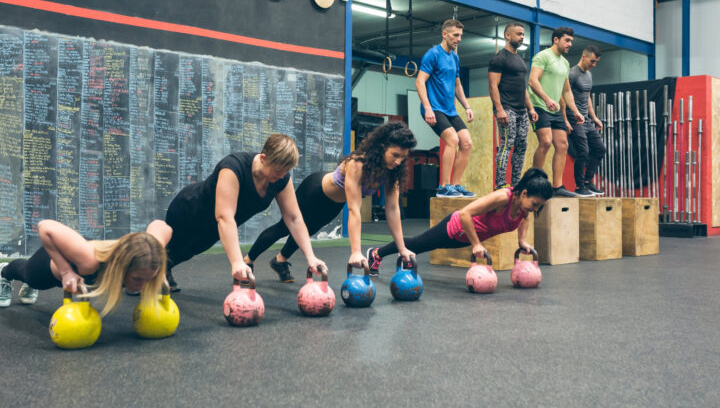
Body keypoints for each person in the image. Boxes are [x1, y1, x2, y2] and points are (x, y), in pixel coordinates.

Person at [245, 122, 417, 278]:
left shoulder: (393, 171)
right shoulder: (358, 164)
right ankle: (247, 261)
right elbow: (354, 210)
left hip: (333, 204)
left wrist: (401, 248)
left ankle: (280, 260)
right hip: (314, 192)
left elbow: (393, 209)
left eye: (403, 157)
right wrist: (356, 251)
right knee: (284, 228)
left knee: (309, 229)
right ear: (381, 146)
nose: (398, 161)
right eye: (395, 155)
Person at [164, 133, 327, 292]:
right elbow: (225, 217)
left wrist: (311, 257)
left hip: (211, 226)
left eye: (286, 171)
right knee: (172, 249)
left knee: (187, 252)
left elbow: (294, 218)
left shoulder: (280, 179)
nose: (282, 176)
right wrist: (237, 262)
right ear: (263, 159)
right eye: (278, 171)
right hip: (189, 212)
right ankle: (141, 275)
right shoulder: (234, 167)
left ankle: (162, 270)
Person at [366, 168, 553, 264]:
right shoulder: (503, 198)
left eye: (539, 206)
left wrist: (522, 241)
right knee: (417, 244)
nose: (535, 209)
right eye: (535, 204)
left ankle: (394, 257)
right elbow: (465, 214)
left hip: (465, 239)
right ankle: (376, 254)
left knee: (419, 248)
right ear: (523, 193)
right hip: (454, 228)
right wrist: (477, 244)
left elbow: (525, 218)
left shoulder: (524, 208)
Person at [0, 219, 172, 316]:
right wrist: (66, 271)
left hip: (78, 251)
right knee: (28, 276)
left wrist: (157, 273)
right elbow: (45, 226)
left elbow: (162, 226)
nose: (143, 285)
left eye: (147, 279)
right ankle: (4, 272)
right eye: (138, 279)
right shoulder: (89, 262)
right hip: (50, 266)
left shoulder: (148, 254)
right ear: (122, 267)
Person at [417, 19, 476, 198]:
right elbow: (420, 81)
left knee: (466, 142)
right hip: (433, 107)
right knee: (452, 139)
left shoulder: (455, 57)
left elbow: (457, 84)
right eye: (455, 35)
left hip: (450, 109)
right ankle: (444, 186)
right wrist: (427, 108)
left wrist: (466, 106)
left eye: (460, 36)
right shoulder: (433, 54)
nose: (458, 39)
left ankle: (455, 186)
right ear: (445, 34)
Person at [528, 26, 585, 197]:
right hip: (540, 105)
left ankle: (557, 186)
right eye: (567, 40)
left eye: (571, 41)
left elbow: (566, 91)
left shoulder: (565, 63)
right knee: (545, 142)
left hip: (555, 110)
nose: (569, 44)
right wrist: (546, 99)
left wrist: (575, 111)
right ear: (556, 39)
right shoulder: (543, 56)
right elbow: (532, 81)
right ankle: (535, 183)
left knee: (563, 144)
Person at [488, 22, 538, 190]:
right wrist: (500, 109)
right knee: (507, 144)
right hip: (506, 108)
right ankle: (500, 183)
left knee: (522, 145)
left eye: (523, 34)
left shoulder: (519, 59)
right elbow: (493, 86)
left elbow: (522, 86)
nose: (522, 37)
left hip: (521, 110)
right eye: (518, 34)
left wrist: (530, 108)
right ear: (508, 36)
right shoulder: (499, 58)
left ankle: (516, 183)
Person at [566, 45, 605, 196]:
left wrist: (594, 117)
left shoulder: (588, 75)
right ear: (583, 56)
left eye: (596, 62)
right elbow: (565, 96)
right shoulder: (572, 74)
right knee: (583, 152)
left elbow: (587, 97)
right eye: (592, 61)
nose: (594, 65)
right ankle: (579, 186)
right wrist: (568, 118)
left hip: (586, 120)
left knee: (600, 149)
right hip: (574, 118)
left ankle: (588, 182)